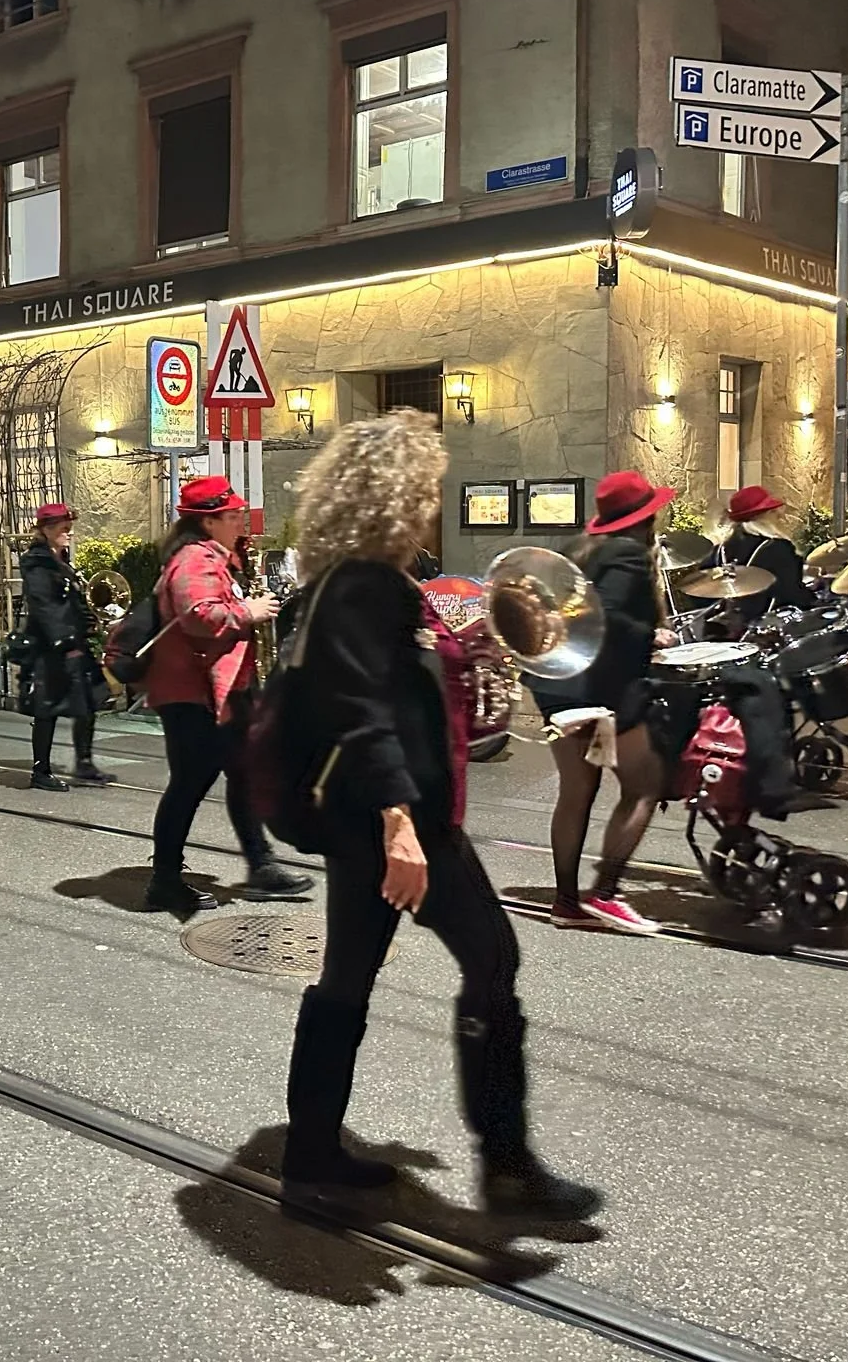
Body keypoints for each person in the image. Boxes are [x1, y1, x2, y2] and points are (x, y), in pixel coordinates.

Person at [275, 411, 602, 1223]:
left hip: (370, 821)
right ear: (392, 496)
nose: (430, 508)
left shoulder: (345, 581)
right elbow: (362, 711)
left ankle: (311, 1161)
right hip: (402, 821)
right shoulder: (365, 586)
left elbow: (388, 690)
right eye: (423, 493)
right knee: (494, 964)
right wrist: (400, 826)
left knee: (346, 980)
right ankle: (508, 1168)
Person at [142, 475, 314, 914]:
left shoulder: (217, 556)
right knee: (190, 784)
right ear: (209, 522)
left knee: (243, 774)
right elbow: (199, 614)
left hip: (222, 690)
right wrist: (247, 611)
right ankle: (164, 880)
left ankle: (260, 864)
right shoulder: (193, 559)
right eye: (234, 516)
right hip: (192, 696)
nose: (241, 522)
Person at [527, 470, 674, 935]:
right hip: (602, 691)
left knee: (576, 793)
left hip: (557, 686)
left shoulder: (576, 548)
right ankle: (607, 895)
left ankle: (566, 903)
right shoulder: (629, 552)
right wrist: (653, 635)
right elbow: (605, 620)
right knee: (644, 786)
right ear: (644, 518)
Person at [16, 503, 112, 791]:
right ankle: (40, 771)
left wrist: (90, 619)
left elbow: (71, 600)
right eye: (63, 529)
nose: (68, 534)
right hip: (50, 647)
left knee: (90, 700)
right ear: (46, 530)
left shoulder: (63, 560)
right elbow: (45, 606)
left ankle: (84, 763)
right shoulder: (36, 562)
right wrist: (64, 641)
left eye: (70, 529)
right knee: (47, 707)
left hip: (74, 643)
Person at [714, 485, 814, 630]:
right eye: (773, 511)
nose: (779, 516)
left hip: (728, 628)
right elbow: (791, 595)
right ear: (763, 515)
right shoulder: (778, 548)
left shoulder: (720, 550)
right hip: (767, 629)